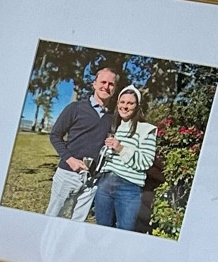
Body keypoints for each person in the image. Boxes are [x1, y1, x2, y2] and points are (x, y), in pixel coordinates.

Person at [45, 64, 118, 220]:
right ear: (95, 84)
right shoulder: (75, 108)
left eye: (111, 84)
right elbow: (55, 135)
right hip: (68, 174)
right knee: (52, 218)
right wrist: (70, 160)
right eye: (103, 82)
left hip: (92, 181)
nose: (106, 87)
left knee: (78, 224)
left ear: (115, 88)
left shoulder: (112, 118)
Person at [92, 85, 158, 230]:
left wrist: (120, 148)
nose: (125, 107)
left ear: (137, 106)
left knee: (125, 232)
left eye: (130, 103)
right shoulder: (115, 127)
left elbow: (146, 162)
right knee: (101, 231)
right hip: (105, 184)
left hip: (129, 188)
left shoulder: (146, 130)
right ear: (117, 104)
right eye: (122, 102)